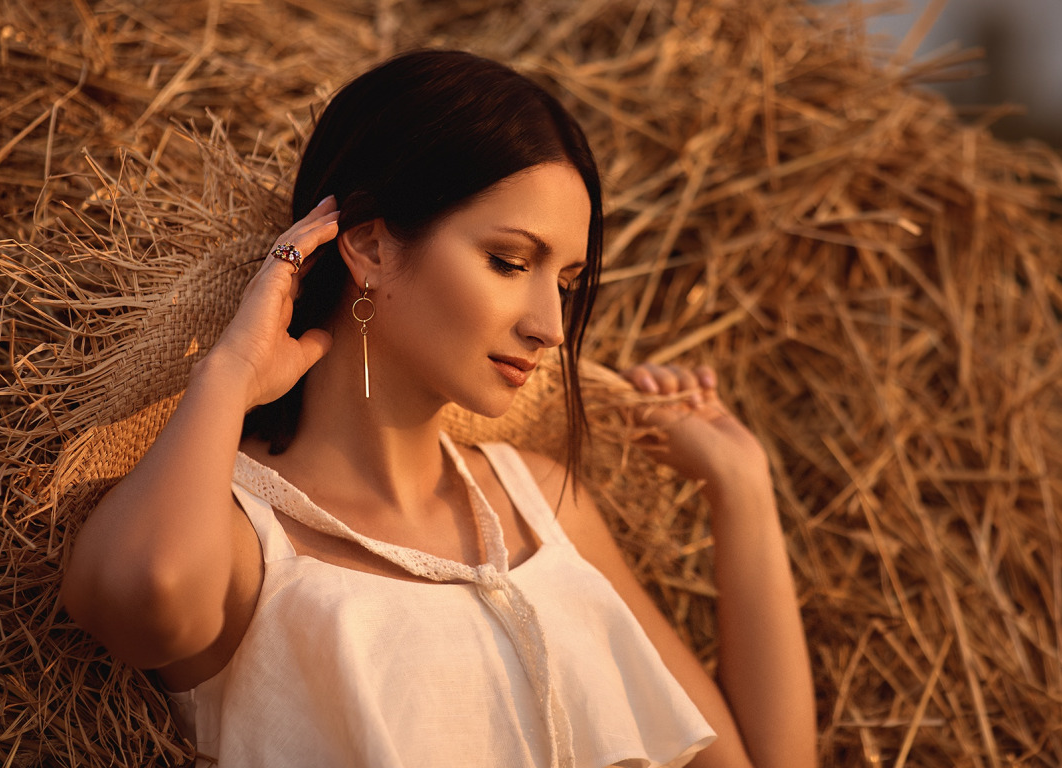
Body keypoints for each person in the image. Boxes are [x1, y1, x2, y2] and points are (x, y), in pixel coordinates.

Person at [60, 49, 815, 768]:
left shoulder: (545, 506)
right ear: (371, 248)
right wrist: (229, 374)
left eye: (566, 282)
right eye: (510, 262)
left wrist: (742, 489)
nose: (550, 326)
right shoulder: (245, 540)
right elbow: (140, 597)